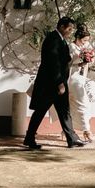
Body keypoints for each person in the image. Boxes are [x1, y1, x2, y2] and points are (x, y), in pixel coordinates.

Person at [24, 16, 85, 149]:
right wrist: (60, 83)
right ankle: (29, 138)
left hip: (57, 83)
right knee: (40, 111)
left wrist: (81, 60)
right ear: (61, 26)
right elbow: (53, 63)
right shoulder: (53, 39)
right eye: (69, 29)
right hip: (50, 85)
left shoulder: (60, 39)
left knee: (64, 111)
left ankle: (72, 138)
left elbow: (64, 61)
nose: (70, 32)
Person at [68, 24, 95, 142]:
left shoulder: (86, 46)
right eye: (83, 40)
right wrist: (80, 62)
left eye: (87, 41)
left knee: (76, 105)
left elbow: (89, 61)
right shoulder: (71, 46)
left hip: (81, 78)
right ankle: (87, 131)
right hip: (73, 78)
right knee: (83, 104)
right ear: (78, 37)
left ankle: (68, 130)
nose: (85, 43)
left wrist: (89, 59)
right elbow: (67, 63)